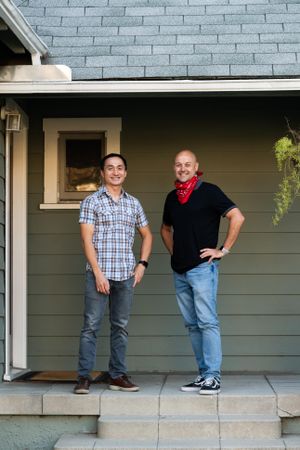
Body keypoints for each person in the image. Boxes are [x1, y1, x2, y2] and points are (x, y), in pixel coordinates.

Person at [161, 150, 244, 395]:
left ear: (196, 166)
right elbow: (165, 229)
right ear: (174, 168)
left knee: (207, 322)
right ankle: (203, 374)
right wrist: (176, 253)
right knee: (192, 324)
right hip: (180, 270)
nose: (183, 168)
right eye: (178, 165)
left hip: (201, 268)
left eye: (187, 164)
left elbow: (237, 217)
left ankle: (213, 377)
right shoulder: (172, 198)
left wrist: (223, 250)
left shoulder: (209, 191)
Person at [74, 153, 152, 394]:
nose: (115, 172)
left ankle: (117, 375)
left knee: (120, 326)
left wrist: (142, 264)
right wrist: (97, 273)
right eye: (110, 168)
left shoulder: (134, 203)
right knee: (91, 326)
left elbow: (147, 235)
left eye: (120, 168)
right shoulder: (91, 201)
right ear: (102, 173)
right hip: (99, 273)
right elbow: (86, 240)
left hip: (126, 275)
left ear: (125, 172)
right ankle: (84, 377)